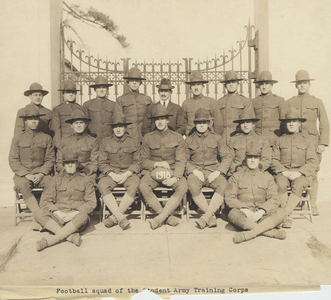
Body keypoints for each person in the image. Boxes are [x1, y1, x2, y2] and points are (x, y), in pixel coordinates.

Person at [284, 70, 329, 215]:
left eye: (304, 83)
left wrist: (322, 143)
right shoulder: (290, 102)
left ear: (309, 84)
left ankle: (312, 203)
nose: (302, 86)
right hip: (295, 144)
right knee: (295, 171)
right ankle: (295, 202)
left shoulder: (317, 102)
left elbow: (324, 123)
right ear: (296, 86)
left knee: (312, 173)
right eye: (299, 83)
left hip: (313, 143)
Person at [225, 143, 286, 244]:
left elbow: (274, 199)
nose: (253, 160)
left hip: (263, 216)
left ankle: (249, 234)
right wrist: (244, 209)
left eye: (255, 157)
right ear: (246, 159)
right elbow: (230, 198)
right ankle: (271, 232)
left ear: (259, 159)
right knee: (232, 214)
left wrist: (262, 211)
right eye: (250, 157)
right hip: (245, 216)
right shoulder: (237, 176)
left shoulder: (268, 177)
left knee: (281, 212)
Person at [139, 105, 188, 230]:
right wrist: (156, 164)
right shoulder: (147, 137)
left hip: (172, 171)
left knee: (183, 186)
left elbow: (181, 160)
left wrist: (176, 177)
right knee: (143, 186)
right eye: (157, 119)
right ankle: (165, 216)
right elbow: (143, 161)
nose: (160, 122)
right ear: (154, 121)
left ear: (168, 120)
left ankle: (160, 218)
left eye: (162, 119)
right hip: (153, 173)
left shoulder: (177, 137)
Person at [37, 154, 97, 251]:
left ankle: (50, 241)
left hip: (76, 218)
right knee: (38, 214)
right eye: (67, 163)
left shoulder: (85, 180)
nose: (70, 165)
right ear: (64, 165)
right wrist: (57, 212)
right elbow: (45, 201)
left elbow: (91, 202)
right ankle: (71, 237)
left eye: (72, 163)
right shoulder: (55, 179)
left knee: (83, 216)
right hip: (58, 217)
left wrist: (76, 212)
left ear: (76, 164)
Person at [270, 108, 318, 228]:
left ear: (299, 123)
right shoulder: (279, 141)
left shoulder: (307, 141)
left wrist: (300, 172)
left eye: (294, 121)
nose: (291, 124)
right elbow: (273, 159)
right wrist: (283, 171)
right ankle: (287, 216)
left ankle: (286, 215)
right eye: (288, 121)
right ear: (285, 124)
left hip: (300, 174)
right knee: (280, 184)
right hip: (283, 173)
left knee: (299, 185)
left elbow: (312, 161)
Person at [185, 108, 232, 229]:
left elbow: (226, 157)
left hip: (212, 171)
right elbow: (184, 159)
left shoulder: (217, 138)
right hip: (196, 172)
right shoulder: (189, 140)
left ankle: (206, 217)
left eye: (204, 122)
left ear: (209, 123)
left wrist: (218, 172)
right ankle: (210, 216)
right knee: (192, 184)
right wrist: (194, 171)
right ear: (195, 124)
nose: (201, 125)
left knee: (223, 184)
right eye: (199, 123)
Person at [9, 105, 54, 226]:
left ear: (39, 121)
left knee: (50, 182)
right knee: (22, 184)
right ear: (25, 121)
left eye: (36, 119)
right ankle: (40, 215)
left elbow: (50, 159)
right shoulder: (17, 139)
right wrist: (26, 174)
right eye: (30, 119)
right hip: (23, 175)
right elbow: (13, 160)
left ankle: (43, 211)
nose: (34, 121)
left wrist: (41, 173)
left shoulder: (46, 138)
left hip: (41, 173)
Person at [98, 113, 141, 230]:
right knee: (102, 184)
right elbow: (102, 162)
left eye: (121, 126)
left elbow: (138, 162)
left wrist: (127, 173)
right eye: (115, 127)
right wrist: (111, 174)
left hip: (128, 173)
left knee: (135, 183)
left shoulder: (134, 141)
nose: (118, 129)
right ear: (112, 128)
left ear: (125, 127)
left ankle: (114, 218)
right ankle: (120, 217)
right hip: (111, 173)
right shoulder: (105, 142)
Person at [56, 109, 99, 184]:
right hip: (67, 173)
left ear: (85, 125)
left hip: (86, 173)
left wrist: (85, 172)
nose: (79, 125)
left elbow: (95, 163)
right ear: (71, 126)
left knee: (89, 183)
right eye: (76, 123)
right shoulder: (64, 141)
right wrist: (67, 172)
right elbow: (59, 162)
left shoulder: (92, 141)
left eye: (81, 123)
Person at [228, 111, 271, 177]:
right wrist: (238, 169)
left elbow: (266, 159)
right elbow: (229, 159)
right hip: (238, 172)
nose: (245, 125)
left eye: (248, 122)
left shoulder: (262, 139)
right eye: (242, 123)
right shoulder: (233, 140)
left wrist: (257, 169)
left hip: (257, 172)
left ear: (253, 124)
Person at [116, 67, 152, 141]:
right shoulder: (121, 99)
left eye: (137, 81)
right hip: (128, 136)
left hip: (144, 136)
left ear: (140, 83)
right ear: (128, 82)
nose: (134, 83)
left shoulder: (147, 99)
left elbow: (151, 119)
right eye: (132, 80)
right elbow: (118, 120)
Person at [217, 71, 254, 144]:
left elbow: (249, 124)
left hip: (239, 138)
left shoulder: (245, 101)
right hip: (223, 139)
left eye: (233, 82)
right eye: (228, 82)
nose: (231, 84)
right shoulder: (219, 102)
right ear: (225, 85)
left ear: (238, 84)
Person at [182, 71, 222, 136]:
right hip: (191, 139)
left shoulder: (211, 102)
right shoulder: (186, 103)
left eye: (198, 84)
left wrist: (215, 138)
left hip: (208, 138)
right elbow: (184, 122)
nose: (196, 87)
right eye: (193, 85)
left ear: (203, 87)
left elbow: (218, 123)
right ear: (190, 88)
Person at [252, 71, 285, 146]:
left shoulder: (279, 100)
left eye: (267, 84)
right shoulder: (253, 101)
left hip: (274, 141)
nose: (264, 87)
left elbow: (284, 123)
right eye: (261, 84)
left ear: (271, 85)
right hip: (258, 141)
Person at [51, 79, 87, 148]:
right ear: (63, 94)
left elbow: (85, 128)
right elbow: (56, 129)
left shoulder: (81, 108)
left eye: (73, 92)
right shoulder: (57, 109)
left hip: (79, 143)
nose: (71, 94)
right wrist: (58, 145)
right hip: (64, 143)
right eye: (68, 92)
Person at [83, 75, 116, 144]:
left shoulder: (114, 105)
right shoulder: (87, 105)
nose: (101, 90)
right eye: (98, 87)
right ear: (95, 89)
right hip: (92, 141)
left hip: (109, 142)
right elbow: (84, 125)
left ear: (107, 89)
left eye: (104, 87)